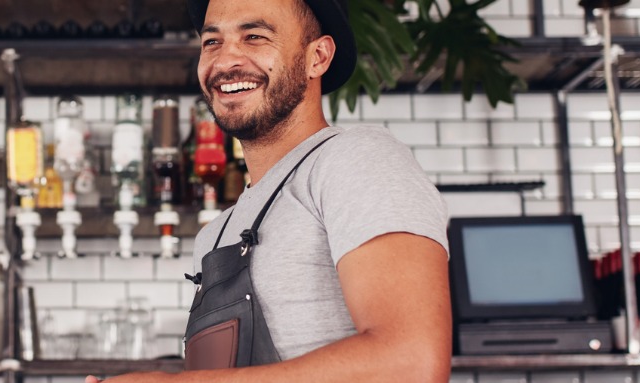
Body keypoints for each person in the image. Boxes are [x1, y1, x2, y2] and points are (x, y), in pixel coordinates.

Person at [87, 0, 452, 381]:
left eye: (254, 36)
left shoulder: (354, 159)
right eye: (212, 42)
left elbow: (412, 363)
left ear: (318, 57)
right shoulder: (215, 234)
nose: (226, 60)